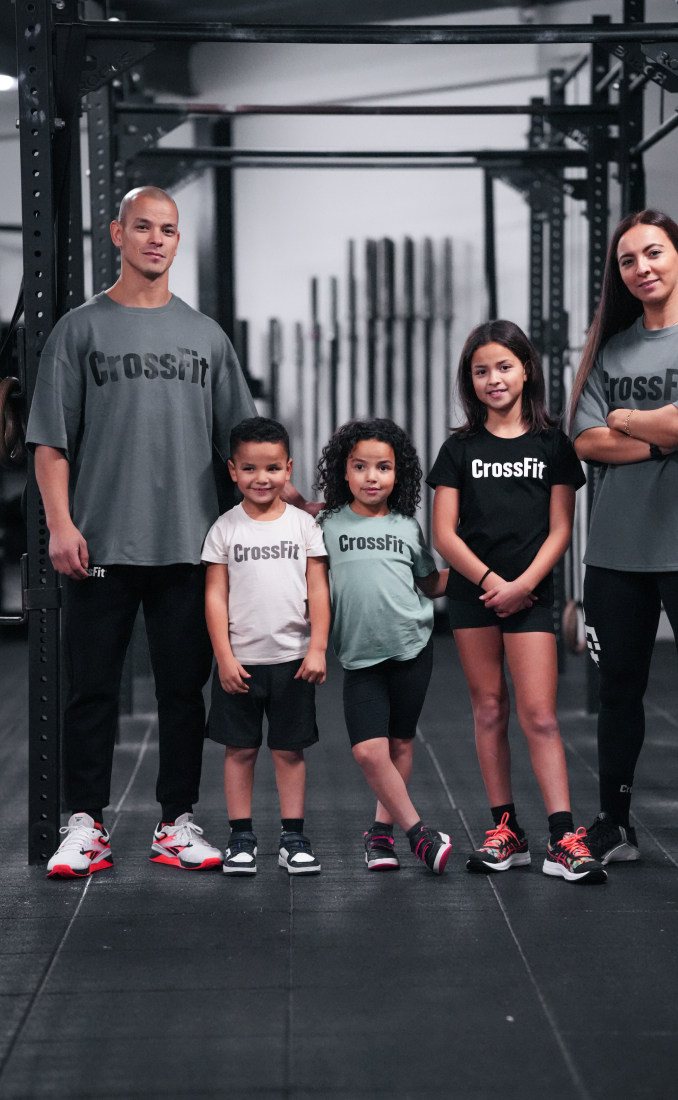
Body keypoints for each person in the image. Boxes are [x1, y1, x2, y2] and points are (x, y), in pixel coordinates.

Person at [28, 186, 313, 879]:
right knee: (90, 691)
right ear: (117, 233)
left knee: (183, 694)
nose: (157, 239)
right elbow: (50, 442)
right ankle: (86, 824)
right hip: (98, 545)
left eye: (169, 230)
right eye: (144, 227)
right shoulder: (79, 330)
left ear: (178, 241)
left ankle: (175, 821)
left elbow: (244, 446)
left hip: (190, 547)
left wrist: (300, 506)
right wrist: (60, 524)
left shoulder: (206, 337)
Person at [570, 208, 678, 889]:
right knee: (618, 691)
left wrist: (628, 421)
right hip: (615, 551)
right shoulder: (609, 349)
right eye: (627, 260)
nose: (641, 268)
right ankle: (614, 825)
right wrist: (658, 432)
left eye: (652, 253)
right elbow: (587, 441)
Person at [429, 320, 606, 884]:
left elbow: (561, 529)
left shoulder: (553, 445)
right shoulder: (459, 448)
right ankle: (506, 831)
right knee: (488, 709)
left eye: (504, 366)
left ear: (526, 369)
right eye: (481, 370)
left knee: (540, 715)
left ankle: (563, 838)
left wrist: (523, 585)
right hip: (473, 595)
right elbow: (444, 534)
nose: (493, 379)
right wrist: (491, 582)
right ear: (470, 380)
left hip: (530, 595)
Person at [316, 418, 452, 875]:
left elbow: (429, 584)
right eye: (360, 467)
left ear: (398, 474)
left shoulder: (407, 527)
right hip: (359, 656)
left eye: (383, 467)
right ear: (344, 471)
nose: (372, 477)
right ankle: (419, 834)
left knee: (399, 743)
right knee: (367, 751)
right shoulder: (325, 523)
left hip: (412, 647)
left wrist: (478, 569)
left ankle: (381, 835)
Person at [202, 417, 329, 876]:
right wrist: (224, 657)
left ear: (288, 468)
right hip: (241, 664)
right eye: (250, 469)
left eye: (273, 468)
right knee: (239, 751)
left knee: (289, 751)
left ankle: (293, 838)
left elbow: (318, 589)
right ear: (233, 471)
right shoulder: (223, 529)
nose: (262, 478)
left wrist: (318, 648)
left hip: (293, 661)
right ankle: (241, 837)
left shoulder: (304, 526)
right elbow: (215, 596)